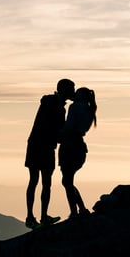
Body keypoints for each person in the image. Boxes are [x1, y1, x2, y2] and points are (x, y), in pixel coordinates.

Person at [24, 78, 74, 228]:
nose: (73, 92)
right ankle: (35, 217)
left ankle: (36, 217)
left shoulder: (52, 103)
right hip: (42, 146)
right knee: (41, 182)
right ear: (63, 90)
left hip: (37, 144)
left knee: (39, 181)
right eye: (71, 89)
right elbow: (55, 129)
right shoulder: (54, 104)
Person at [59, 86, 97, 219]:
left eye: (77, 92)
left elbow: (69, 126)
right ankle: (80, 209)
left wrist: (59, 133)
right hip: (79, 146)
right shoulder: (89, 109)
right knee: (67, 181)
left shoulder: (75, 107)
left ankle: (76, 211)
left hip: (69, 145)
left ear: (81, 95)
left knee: (67, 181)